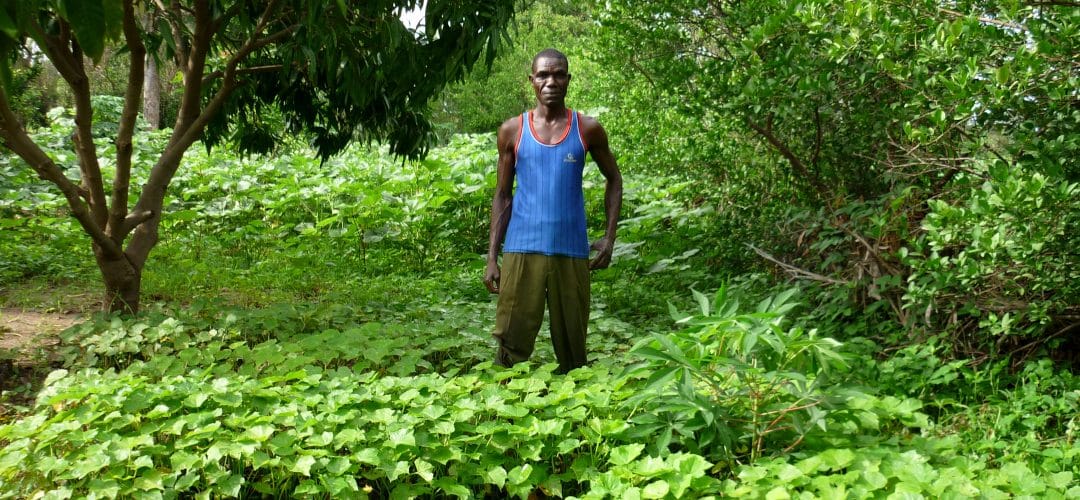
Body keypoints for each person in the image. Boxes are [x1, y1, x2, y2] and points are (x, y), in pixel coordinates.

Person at [483, 48, 623, 374]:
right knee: (510, 345)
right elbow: (503, 195)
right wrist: (492, 257)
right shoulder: (512, 131)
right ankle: (506, 409)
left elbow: (614, 179)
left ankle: (575, 413)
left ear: (569, 80)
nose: (551, 81)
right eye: (543, 75)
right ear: (531, 81)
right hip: (521, 250)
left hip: (571, 251)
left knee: (574, 348)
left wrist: (608, 238)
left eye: (559, 74)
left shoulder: (587, 129)